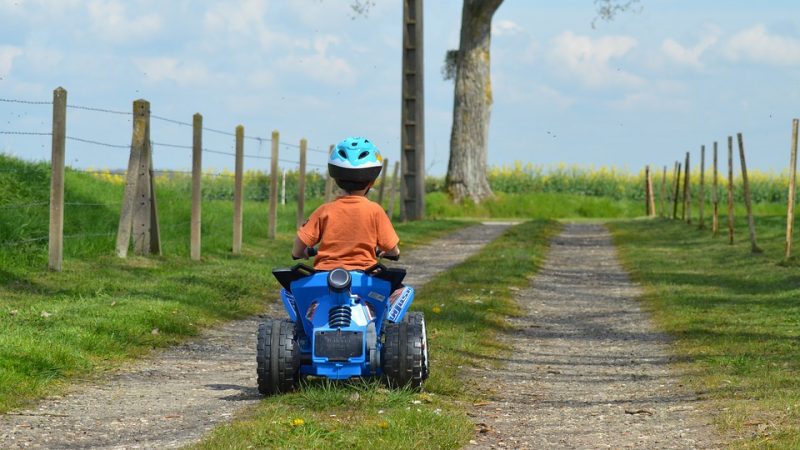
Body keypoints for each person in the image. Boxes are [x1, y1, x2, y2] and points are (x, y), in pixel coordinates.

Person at [292, 136, 399, 270]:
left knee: (291, 290)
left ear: (336, 178)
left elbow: (300, 244)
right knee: (400, 290)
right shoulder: (375, 211)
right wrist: (391, 253)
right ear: (372, 181)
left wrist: (300, 252)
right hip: (364, 276)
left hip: (325, 275)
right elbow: (392, 249)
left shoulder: (324, 210)